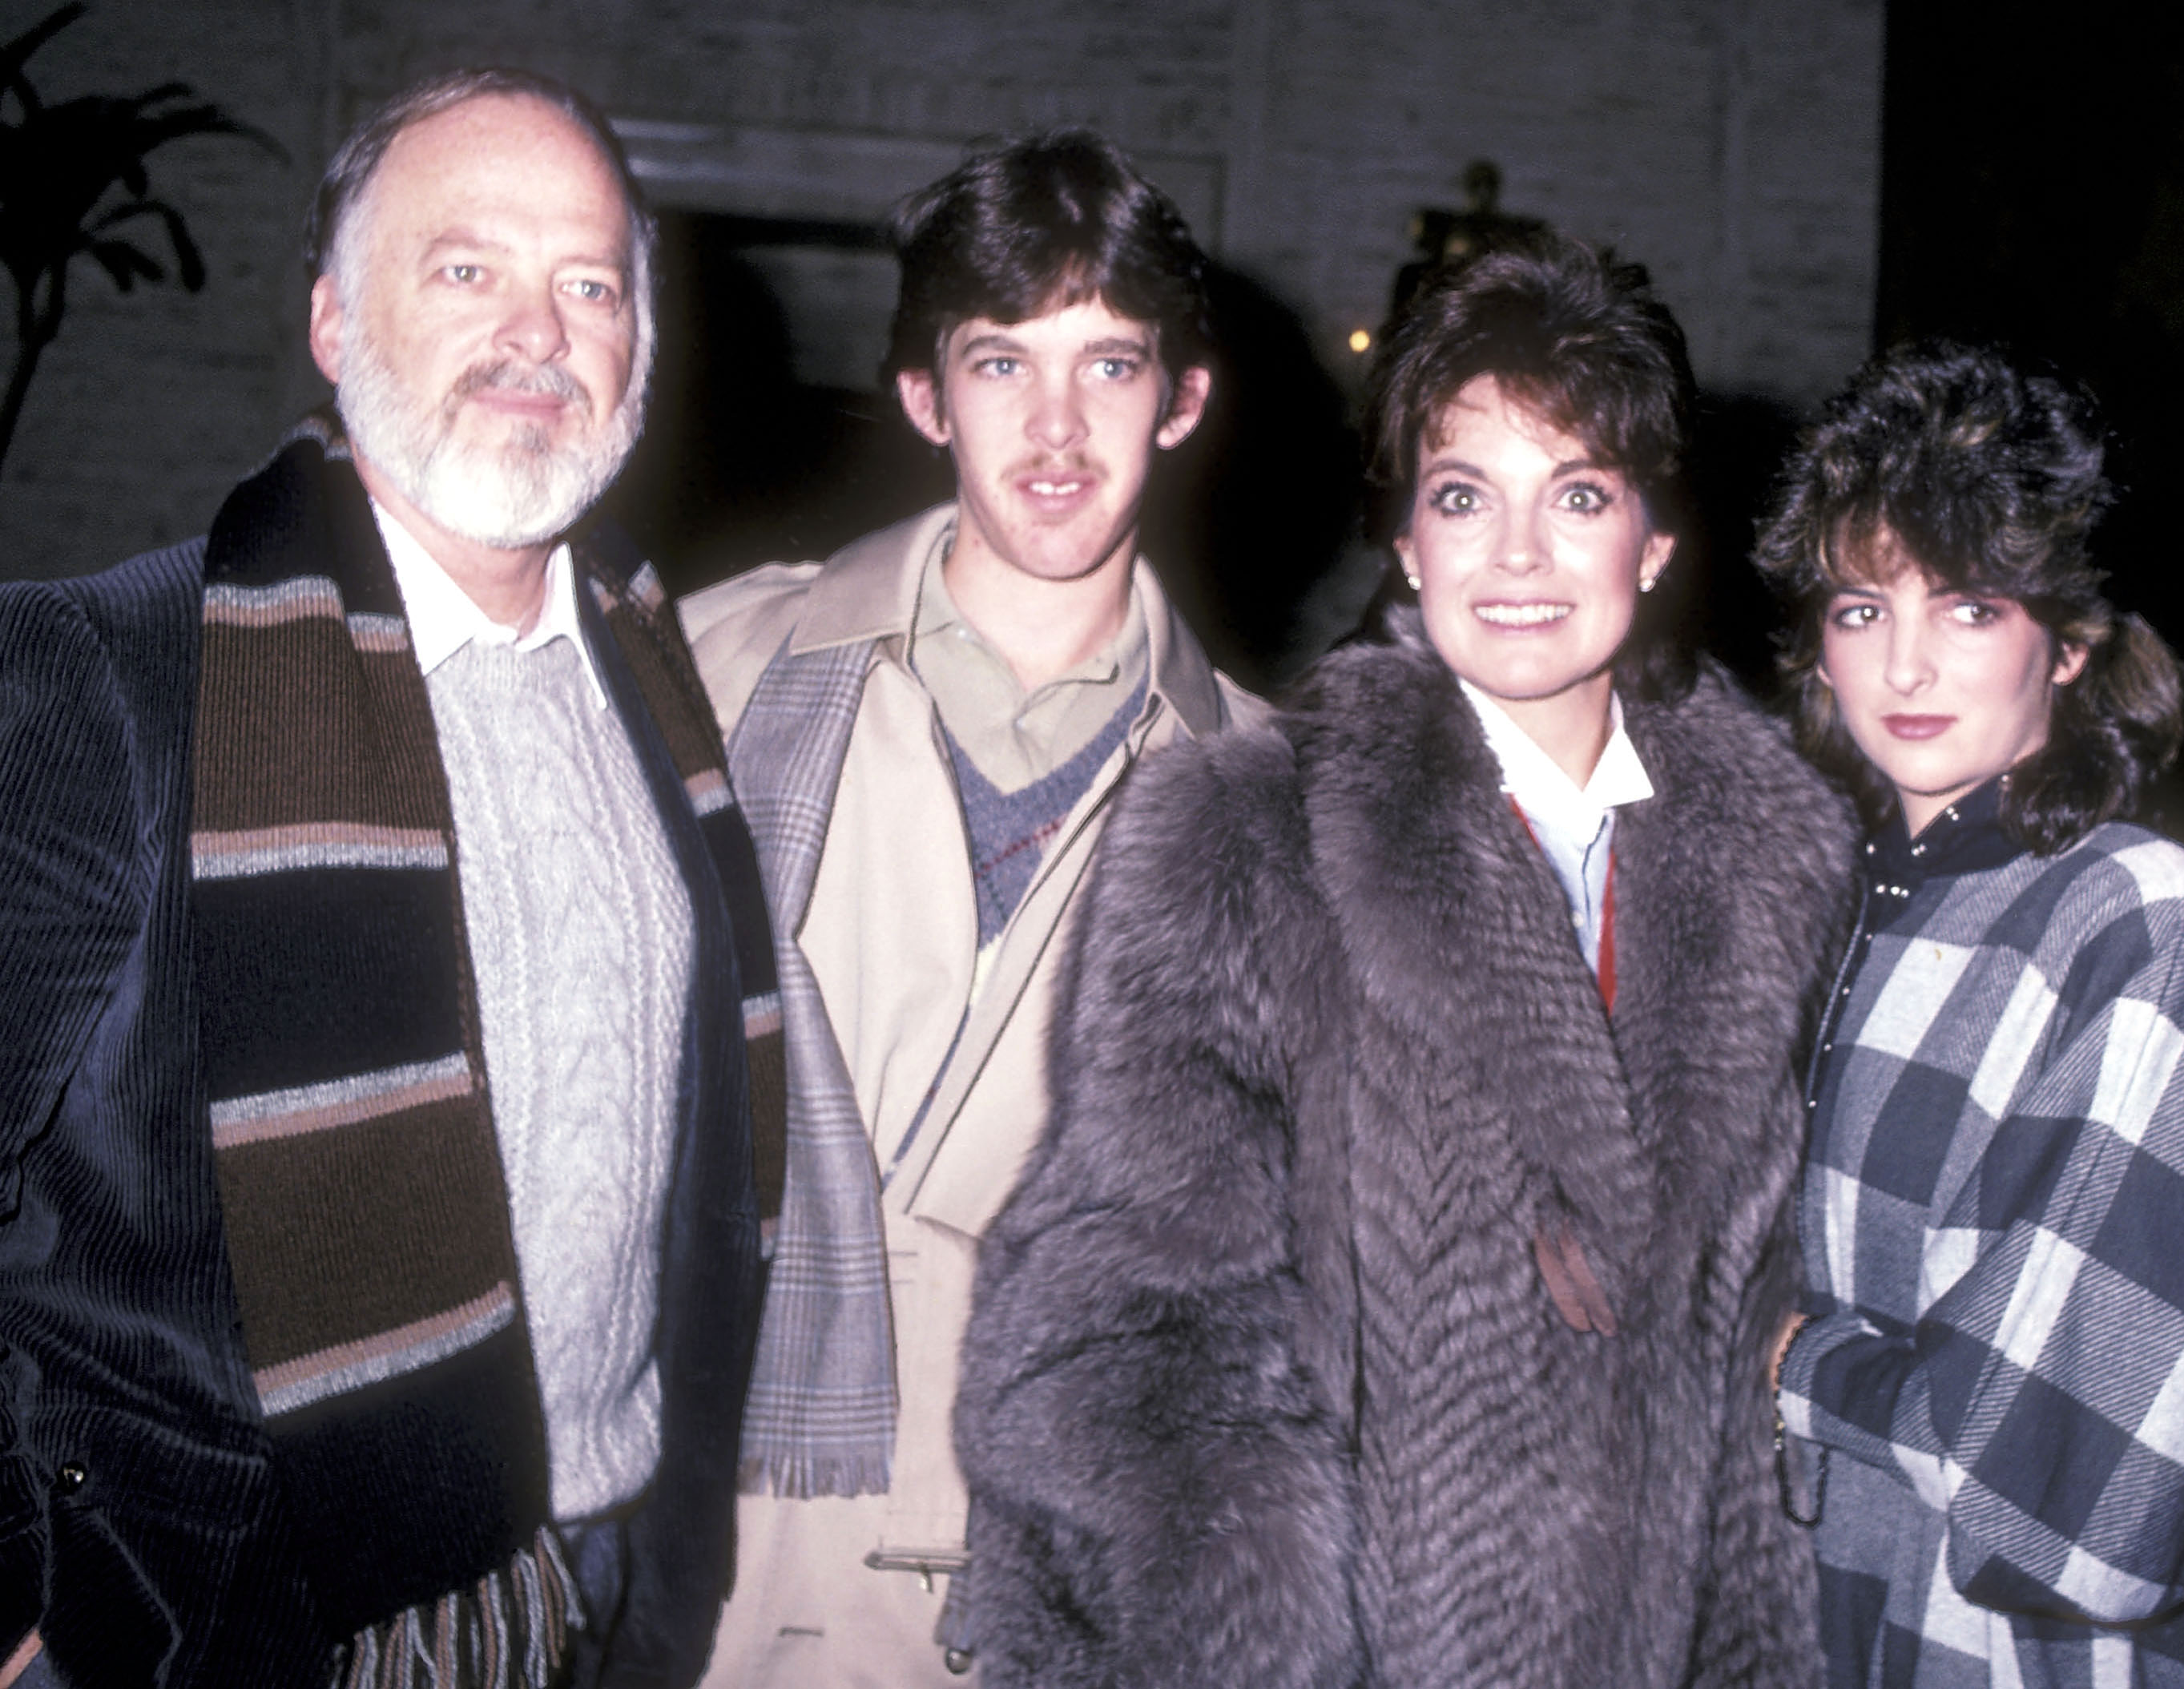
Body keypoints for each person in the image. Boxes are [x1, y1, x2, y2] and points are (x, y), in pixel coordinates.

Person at [952, 233, 1856, 1688]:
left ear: (1657, 541)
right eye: (1462, 496)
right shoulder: (1248, 838)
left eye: (1577, 497)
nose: (1516, 557)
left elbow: (1781, 1331)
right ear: (1406, 543)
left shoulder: (1787, 872)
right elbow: (1123, 1326)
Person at [0, 70, 784, 1689]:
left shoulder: (658, 682)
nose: (539, 331)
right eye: (465, 268)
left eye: (590, 283)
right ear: (334, 324)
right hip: (220, 1610)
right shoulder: (109, 678)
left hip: (600, 1568)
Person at [675, 130, 1264, 1687]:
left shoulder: (1275, 799)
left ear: (1183, 400)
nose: (1058, 428)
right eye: (1003, 363)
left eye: (1112, 366)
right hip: (709, 1558)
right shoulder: (714, 677)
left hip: (1048, 1597)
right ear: (926, 395)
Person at [1755, 343, 2184, 1687]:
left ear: (2071, 641)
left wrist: (1793, 1361)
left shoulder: (2139, 921)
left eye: (1968, 607)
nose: (1905, 662)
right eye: (1859, 609)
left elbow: (2091, 1491)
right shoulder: (1832, 910)